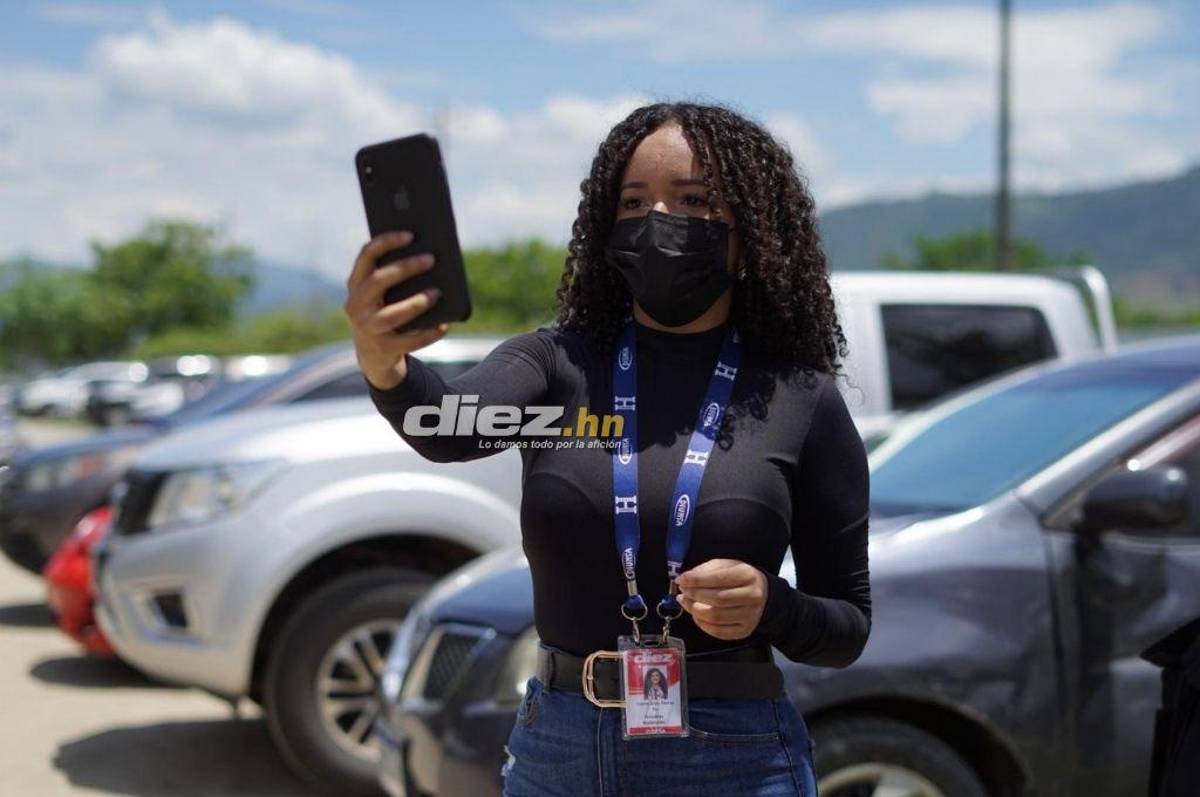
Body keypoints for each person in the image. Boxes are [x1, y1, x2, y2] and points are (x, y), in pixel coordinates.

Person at [346, 100, 871, 797]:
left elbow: (847, 625)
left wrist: (771, 605)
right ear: (605, 230)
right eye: (633, 201)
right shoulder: (558, 363)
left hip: (735, 757)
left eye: (693, 200)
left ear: (751, 236)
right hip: (561, 748)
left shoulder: (801, 399)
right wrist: (385, 363)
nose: (658, 219)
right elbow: (445, 423)